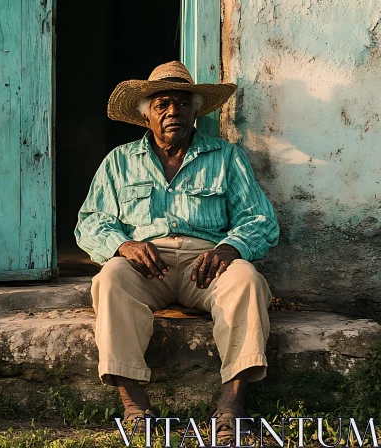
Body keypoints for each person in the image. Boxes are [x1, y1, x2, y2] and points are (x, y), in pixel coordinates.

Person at [75, 61, 279, 439]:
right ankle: (135, 405)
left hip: (207, 265)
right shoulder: (118, 162)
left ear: (196, 111)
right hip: (146, 268)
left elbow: (260, 220)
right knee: (110, 280)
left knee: (247, 280)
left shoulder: (226, 156)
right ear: (146, 115)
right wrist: (123, 245)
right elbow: (90, 223)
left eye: (182, 103)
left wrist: (229, 248)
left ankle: (231, 407)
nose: (173, 112)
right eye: (162, 104)